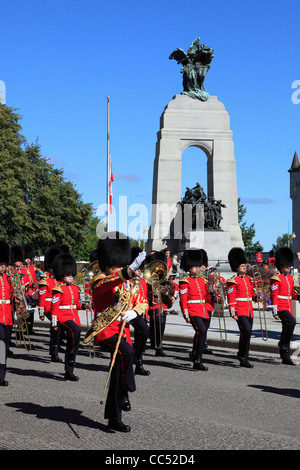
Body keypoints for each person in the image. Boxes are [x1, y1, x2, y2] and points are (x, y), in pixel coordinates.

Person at [89, 232, 147, 433]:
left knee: (116, 375)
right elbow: (111, 282)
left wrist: (135, 312)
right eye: (118, 266)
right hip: (105, 331)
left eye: (123, 266)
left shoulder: (127, 284)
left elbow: (143, 302)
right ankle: (126, 392)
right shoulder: (100, 280)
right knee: (128, 354)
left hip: (122, 333)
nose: (121, 269)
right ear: (108, 266)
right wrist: (129, 271)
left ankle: (114, 419)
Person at [179, 249, 219, 371]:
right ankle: (197, 359)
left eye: (198, 266)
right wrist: (186, 315)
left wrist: (215, 296)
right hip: (193, 310)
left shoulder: (204, 281)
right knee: (201, 330)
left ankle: (195, 353)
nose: (197, 268)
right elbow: (183, 300)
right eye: (194, 266)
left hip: (205, 309)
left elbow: (207, 296)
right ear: (189, 267)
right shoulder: (185, 282)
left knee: (203, 333)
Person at [50, 252, 83, 381]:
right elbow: (54, 307)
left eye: (72, 275)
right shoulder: (58, 289)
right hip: (63, 317)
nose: (71, 277)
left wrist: (84, 307)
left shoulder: (75, 288)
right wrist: (54, 323)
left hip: (73, 316)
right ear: (62, 274)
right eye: (68, 275)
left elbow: (75, 305)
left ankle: (69, 370)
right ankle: (69, 363)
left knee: (73, 344)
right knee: (76, 330)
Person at [227, 247, 261, 368]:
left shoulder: (249, 279)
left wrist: (256, 297)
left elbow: (251, 294)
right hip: (240, 310)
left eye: (244, 265)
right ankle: (243, 356)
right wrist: (233, 311)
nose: (244, 267)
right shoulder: (233, 281)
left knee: (248, 332)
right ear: (236, 268)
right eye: (241, 266)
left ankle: (243, 355)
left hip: (248, 310)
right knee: (246, 330)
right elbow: (231, 298)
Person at [270, 247, 299, 365]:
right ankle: (283, 345)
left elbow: (292, 294)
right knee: (291, 322)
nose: (288, 267)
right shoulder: (276, 278)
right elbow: (274, 295)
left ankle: (285, 355)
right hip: (281, 306)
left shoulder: (291, 278)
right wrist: (275, 311)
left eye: (289, 265)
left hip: (288, 306)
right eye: (286, 265)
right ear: (281, 265)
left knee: (286, 327)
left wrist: (298, 297)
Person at [38, 245, 66, 362]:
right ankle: (54, 351)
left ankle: (54, 347)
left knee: (58, 327)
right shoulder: (45, 280)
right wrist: (41, 311)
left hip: (58, 307)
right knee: (56, 326)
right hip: (48, 307)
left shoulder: (60, 279)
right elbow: (41, 297)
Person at [146, 250, 174, 357]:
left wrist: (172, 295)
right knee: (157, 322)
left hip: (164, 303)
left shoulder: (164, 276)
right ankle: (156, 344)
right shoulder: (149, 276)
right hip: (154, 303)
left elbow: (172, 287)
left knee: (162, 324)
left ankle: (157, 344)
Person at [130, 247, 150, 376]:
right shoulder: (128, 281)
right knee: (145, 330)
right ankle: (137, 358)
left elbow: (145, 297)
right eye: (137, 268)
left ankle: (138, 363)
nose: (139, 271)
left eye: (140, 269)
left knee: (140, 336)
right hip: (131, 312)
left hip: (142, 312)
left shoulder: (143, 281)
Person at [0, 242, 14, 386]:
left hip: (7, 315)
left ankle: (1, 376)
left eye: (4, 264)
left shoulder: (9, 279)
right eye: (0, 264)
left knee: (5, 345)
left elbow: (10, 296)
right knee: (1, 340)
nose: (2, 266)